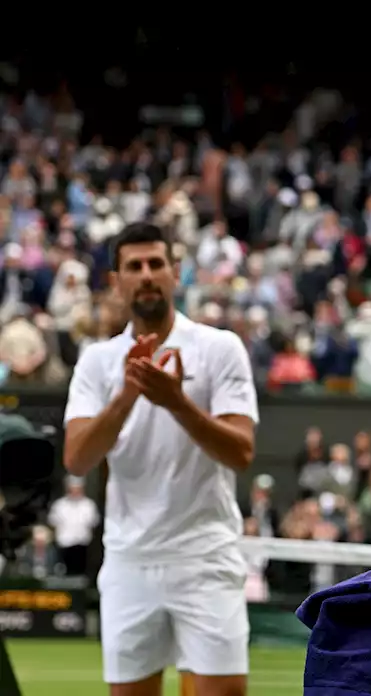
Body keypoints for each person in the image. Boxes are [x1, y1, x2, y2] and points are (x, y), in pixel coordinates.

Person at [62, 222, 259, 696]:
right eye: (134, 266)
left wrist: (176, 401)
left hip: (205, 554)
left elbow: (241, 451)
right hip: (130, 560)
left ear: (176, 273)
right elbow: (77, 459)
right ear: (116, 281)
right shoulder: (96, 362)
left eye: (156, 264)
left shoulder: (219, 348)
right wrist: (129, 394)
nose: (147, 274)